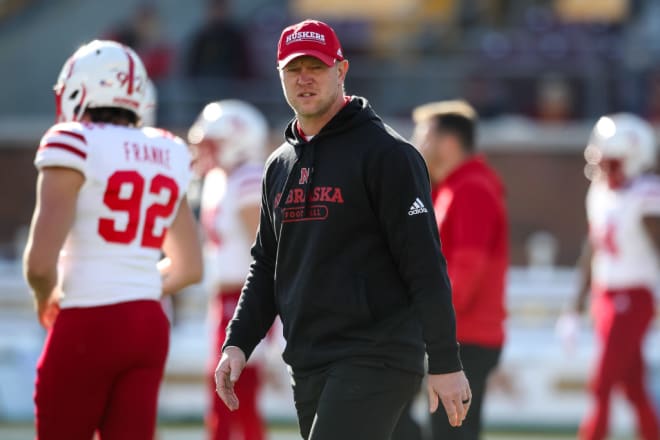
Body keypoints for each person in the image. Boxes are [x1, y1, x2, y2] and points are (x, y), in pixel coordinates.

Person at [214, 19, 471, 440]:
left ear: (341, 70)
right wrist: (237, 343)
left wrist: (445, 361)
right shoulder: (278, 165)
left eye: (316, 66)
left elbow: (424, 264)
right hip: (308, 358)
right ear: (280, 76)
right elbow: (266, 265)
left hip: (377, 354)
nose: (305, 78)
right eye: (294, 69)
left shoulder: (388, 154)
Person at [22, 40, 202, 440]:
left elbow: (38, 264)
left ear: (76, 89)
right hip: (148, 324)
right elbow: (190, 267)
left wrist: (43, 297)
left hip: (88, 319)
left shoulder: (71, 141)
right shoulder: (170, 150)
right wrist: (135, 284)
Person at [408, 100, 508, 440]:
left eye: (423, 136)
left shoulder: (471, 189)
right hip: (459, 333)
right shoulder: (453, 188)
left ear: (448, 143)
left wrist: (434, 322)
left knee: (450, 434)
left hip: (464, 336)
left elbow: (466, 271)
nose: (417, 144)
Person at [564, 113, 660, 440]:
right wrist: (575, 306)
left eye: (612, 160)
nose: (603, 166)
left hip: (633, 298)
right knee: (633, 388)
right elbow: (593, 249)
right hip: (606, 297)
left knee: (601, 384)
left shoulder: (647, 195)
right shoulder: (600, 192)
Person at [188, 99, 270, 440]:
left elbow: (266, 251)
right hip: (223, 298)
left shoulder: (248, 178)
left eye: (214, 143)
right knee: (224, 400)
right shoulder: (220, 179)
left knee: (236, 399)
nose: (205, 152)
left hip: (243, 298)